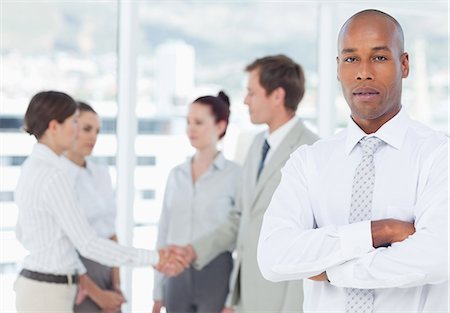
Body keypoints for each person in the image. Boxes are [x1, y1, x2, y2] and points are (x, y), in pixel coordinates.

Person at [258, 9, 449, 313]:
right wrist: (378, 232)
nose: (363, 72)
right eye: (351, 59)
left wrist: (332, 272)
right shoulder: (309, 162)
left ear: (404, 64)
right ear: (337, 68)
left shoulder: (439, 156)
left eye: (379, 57)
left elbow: (437, 258)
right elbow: (273, 257)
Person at [14, 91, 186, 313]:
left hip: (41, 288)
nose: (77, 130)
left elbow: (24, 233)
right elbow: (87, 243)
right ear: (54, 126)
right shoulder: (53, 175)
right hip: (48, 292)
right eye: (74, 122)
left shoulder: (33, 167)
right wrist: (154, 257)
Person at [172, 55, 319, 312]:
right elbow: (242, 218)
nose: (245, 100)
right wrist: (194, 251)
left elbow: (310, 239)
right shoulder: (255, 146)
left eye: (252, 93)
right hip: (249, 295)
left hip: (284, 301)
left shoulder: (311, 150)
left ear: (277, 96)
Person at [152, 91, 241, 313]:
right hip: (174, 274)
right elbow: (164, 230)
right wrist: (157, 290)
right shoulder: (176, 175)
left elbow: (240, 235)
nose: (190, 129)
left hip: (216, 274)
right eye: (188, 122)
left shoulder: (236, 175)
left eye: (199, 122)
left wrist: (232, 300)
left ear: (220, 126)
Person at [60, 102, 124, 312]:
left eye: (97, 131)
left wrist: (116, 286)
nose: (93, 137)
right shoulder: (58, 177)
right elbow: (62, 247)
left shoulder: (101, 173)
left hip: (107, 271)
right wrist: (97, 294)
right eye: (87, 129)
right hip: (78, 279)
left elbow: (111, 232)